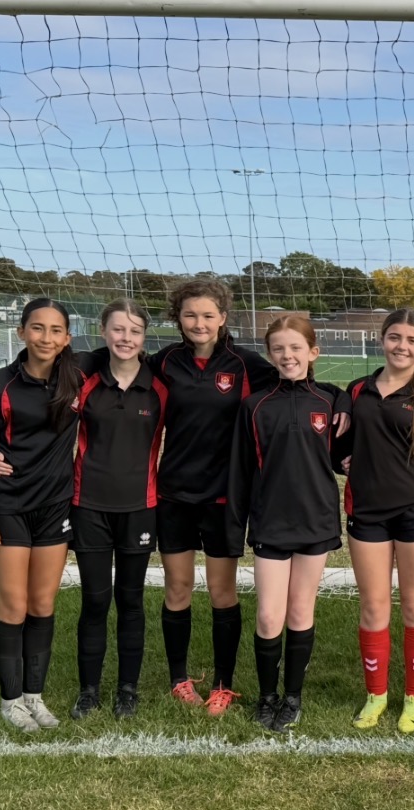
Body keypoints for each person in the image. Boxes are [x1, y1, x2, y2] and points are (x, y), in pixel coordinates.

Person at [148, 279, 279, 716]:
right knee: (178, 587)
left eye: (208, 315)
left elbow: (296, 381)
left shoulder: (247, 365)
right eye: (190, 315)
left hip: (224, 496)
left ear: (223, 317)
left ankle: (223, 684)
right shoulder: (164, 362)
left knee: (222, 591)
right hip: (174, 493)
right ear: (178, 319)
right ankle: (179, 679)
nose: (199, 323)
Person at [0, 298, 81, 731]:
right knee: (13, 606)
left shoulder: (78, 379)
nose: (45, 338)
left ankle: (35, 695)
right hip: (8, 506)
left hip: (55, 508)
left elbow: (121, 353)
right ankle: (10, 700)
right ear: (21, 332)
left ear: (68, 338)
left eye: (55, 330)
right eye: (37, 328)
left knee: (43, 604)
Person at [226, 316, 349, 732]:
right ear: (270, 355)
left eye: (296, 347)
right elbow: (241, 472)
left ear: (313, 352)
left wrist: (345, 401)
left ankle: (292, 697)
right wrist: (237, 525)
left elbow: (339, 454)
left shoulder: (331, 401)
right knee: (268, 616)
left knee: (300, 610)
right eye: (278, 348)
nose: (287, 355)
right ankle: (267, 696)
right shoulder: (254, 405)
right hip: (270, 523)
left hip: (315, 519)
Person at [344, 309, 414, 733]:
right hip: (367, 514)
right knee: (373, 606)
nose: (401, 346)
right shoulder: (356, 392)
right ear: (381, 339)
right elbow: (338, 447)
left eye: (411, 340)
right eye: (394, 337)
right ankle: (375, 695)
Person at [65, 299, 165, 720]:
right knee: (94, 601)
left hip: (140, 508)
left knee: (131, 600)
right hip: (87, 506)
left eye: (135, 331)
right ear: (103, 331)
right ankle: (88, 690)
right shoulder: (81, 380)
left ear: (145, 337)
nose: (126, 338)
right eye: (118, 329)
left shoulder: (160, 388)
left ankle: (128, 689)